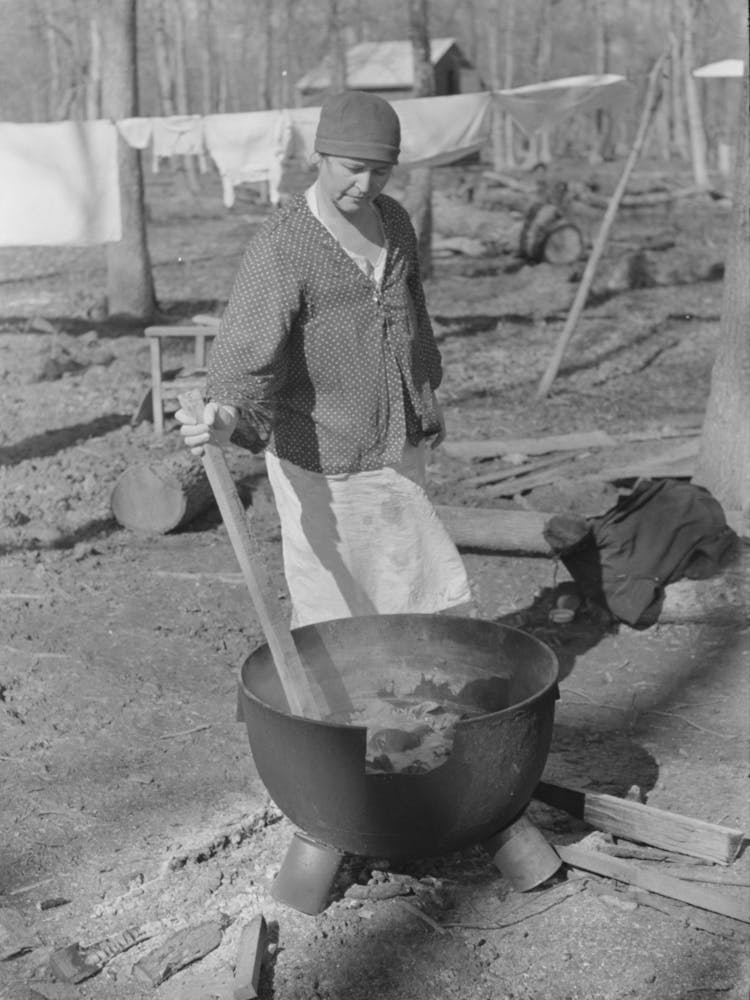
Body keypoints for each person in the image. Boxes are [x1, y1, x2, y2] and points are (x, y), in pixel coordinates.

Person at [177, 90, 472, 628]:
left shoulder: (395, 222)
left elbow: (413, 315)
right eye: (353, 168)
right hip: (323, 457)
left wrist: (427, 396)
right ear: (319, 155)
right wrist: (226, 414)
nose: (366, 184)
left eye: (380, 171)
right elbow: (245, 350)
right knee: (338, 605)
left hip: (397, 442)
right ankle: (335, 682)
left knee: (409, 584)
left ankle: (405, 676)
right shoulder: (284, 244)